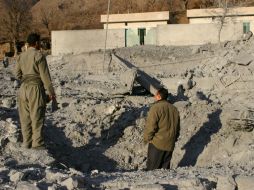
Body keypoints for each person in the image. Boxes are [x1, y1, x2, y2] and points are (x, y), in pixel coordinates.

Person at [15, 33, 56, 149]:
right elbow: (45, 77)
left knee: (25, 117)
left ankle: (26, 143)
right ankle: (37, 144)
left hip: (23, 89)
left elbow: (17, 74)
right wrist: (51, 93)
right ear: (37, 43)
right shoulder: (39, 56)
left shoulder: (21, 56)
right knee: (37, 116)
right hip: (35, 88)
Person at [144, 87, 180, 170]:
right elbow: (177, 127)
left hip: (157, 143)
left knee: (152, 171)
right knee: (164, 172)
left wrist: (147, 138)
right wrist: (175, 138)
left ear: (159, 96)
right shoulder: (174, 109)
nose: (154, 97)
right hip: (170, 144)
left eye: (155, 95)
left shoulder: (156, 108)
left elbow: (151, 126)